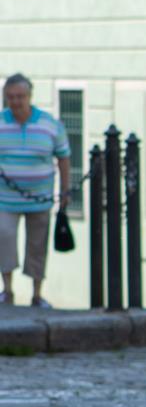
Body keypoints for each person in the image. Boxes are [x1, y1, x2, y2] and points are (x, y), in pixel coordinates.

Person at [0, 73, 71, 308]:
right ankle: (7, 290)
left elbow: (63, 158)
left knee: (37, 244)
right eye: (11, 97)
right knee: (4, 238)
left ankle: (37, 294)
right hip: (5, 199)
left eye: (20, 96)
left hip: (40, 198)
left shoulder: (50, 124)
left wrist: (65, 190)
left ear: (29, 97)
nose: (16, 102)